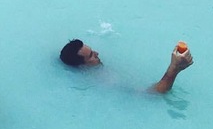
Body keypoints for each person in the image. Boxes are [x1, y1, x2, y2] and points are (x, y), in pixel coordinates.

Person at [59, 39, 193, 94]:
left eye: (93, 50)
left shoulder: (101, 72)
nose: (97, 53)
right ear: (83, 67)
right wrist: (174, 68)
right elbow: (151, 95)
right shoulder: (106, 80)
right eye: (91, 56)